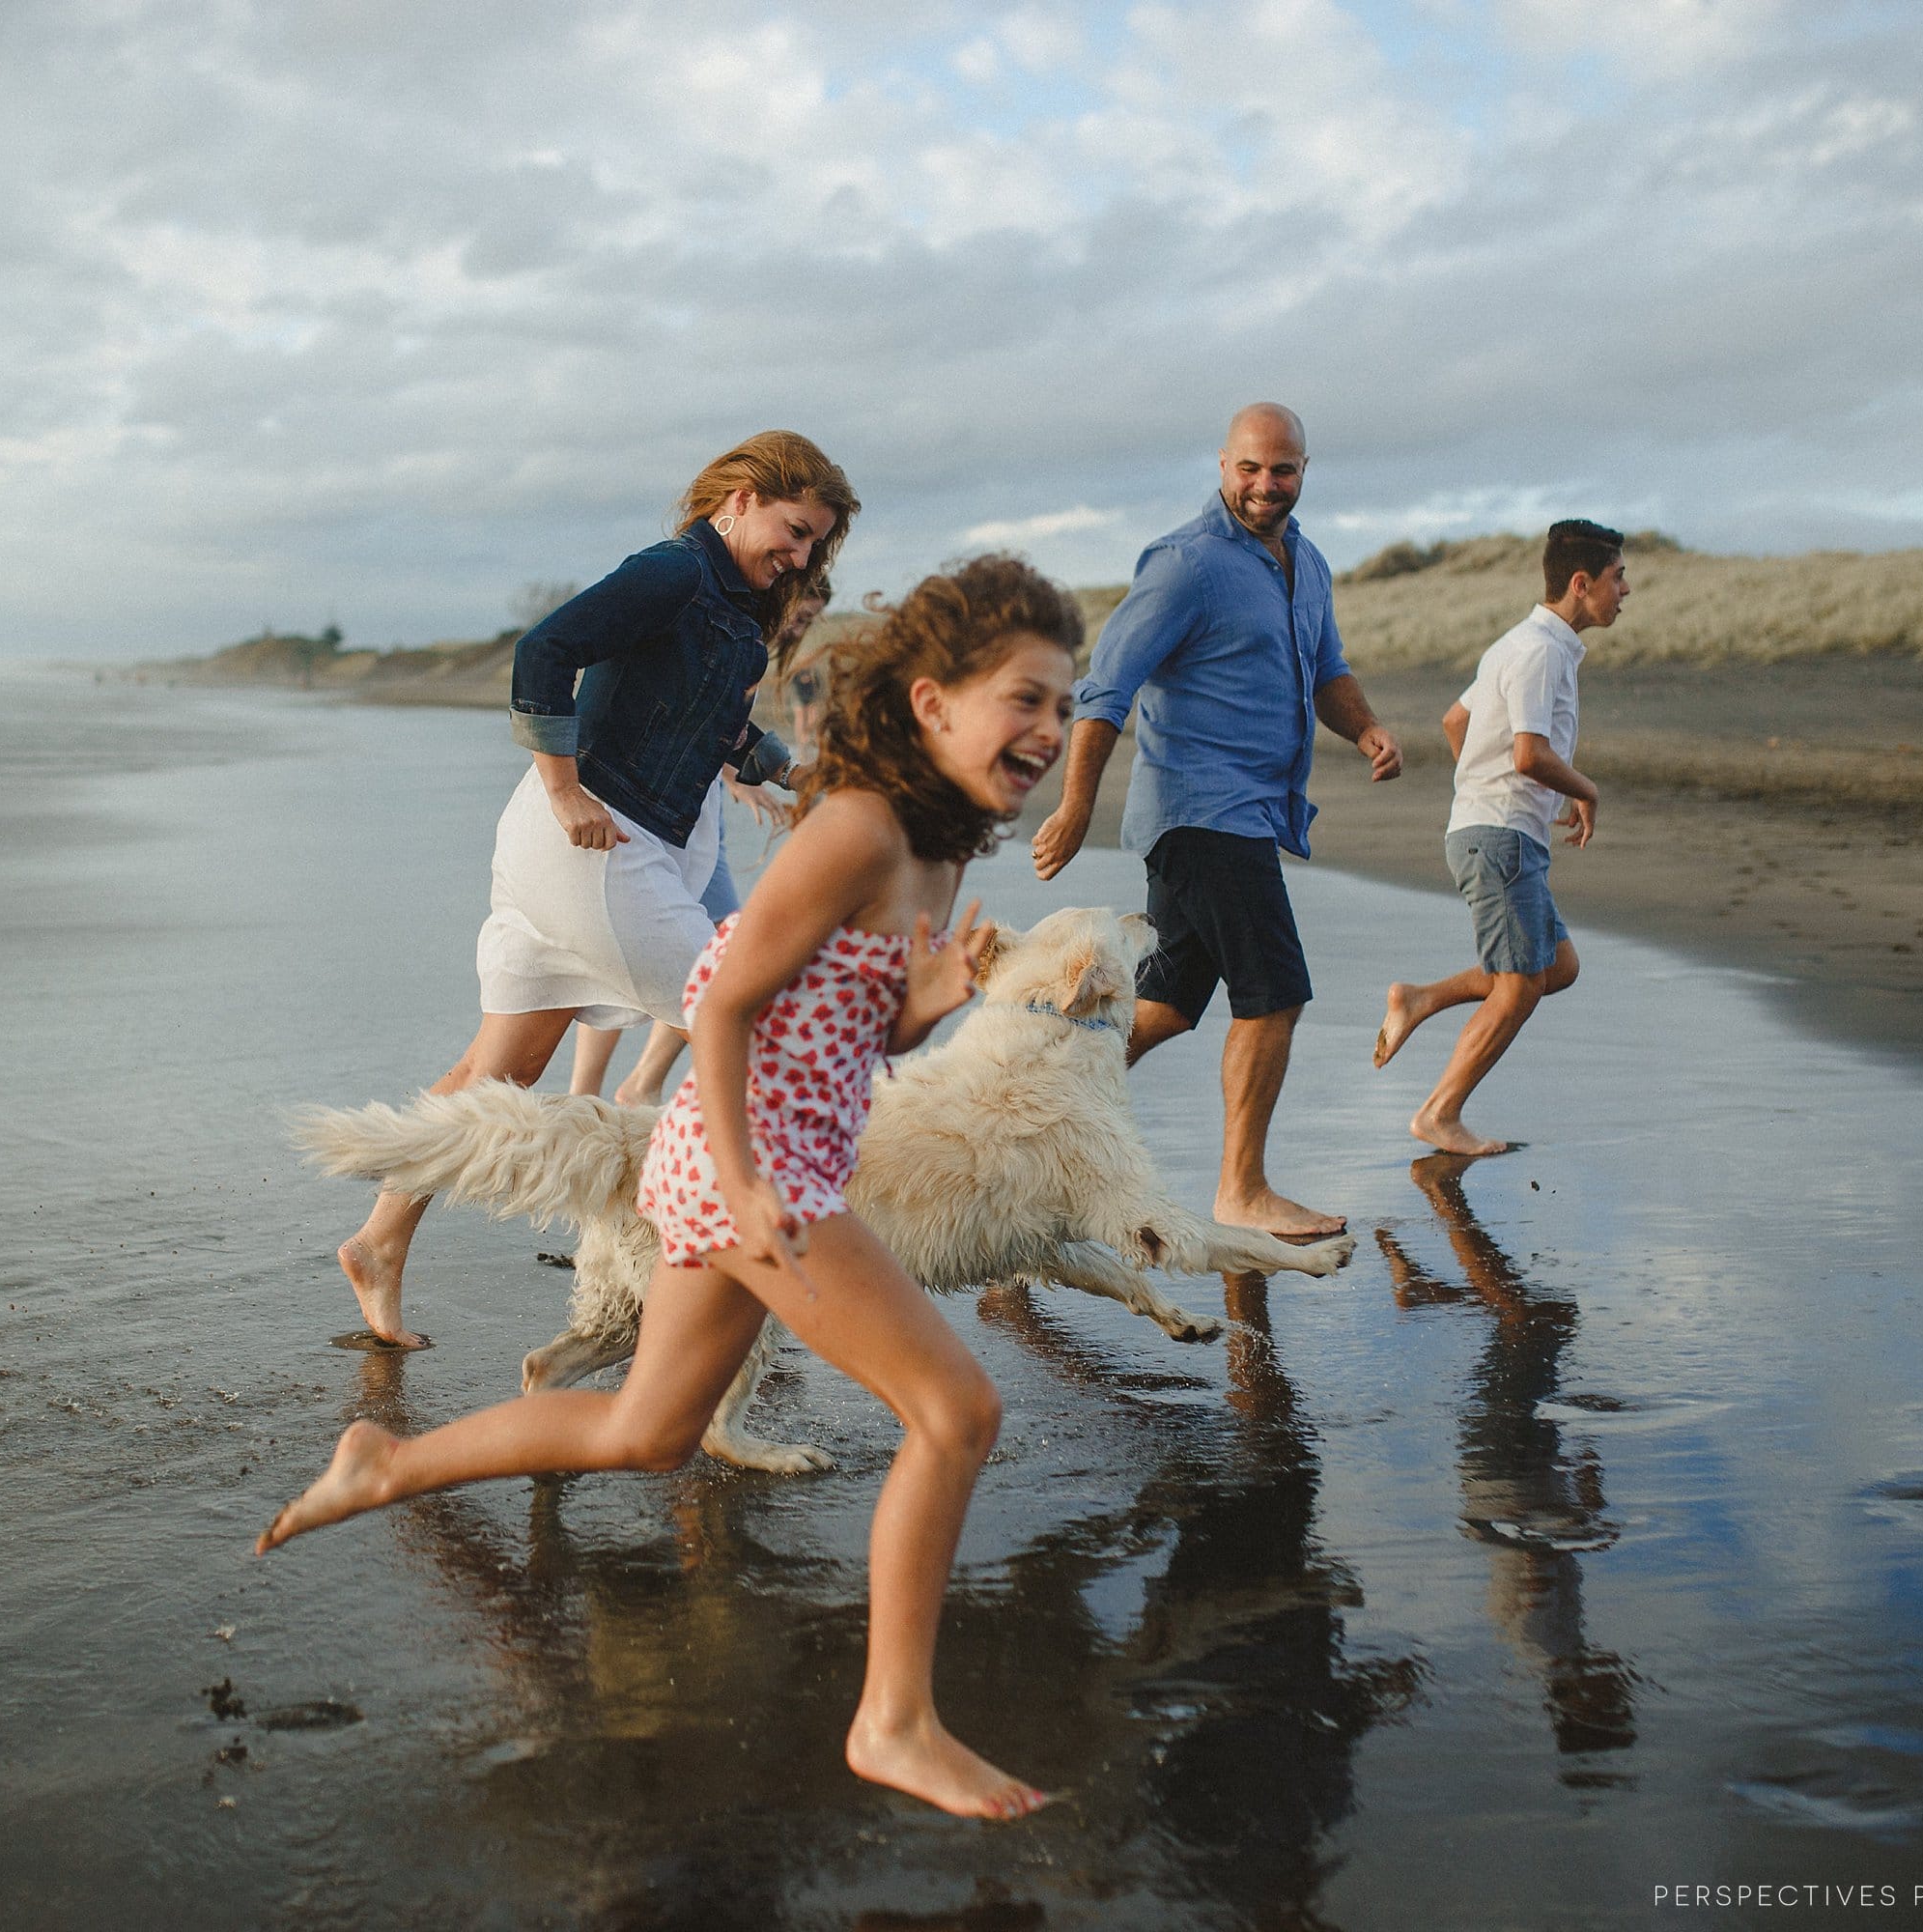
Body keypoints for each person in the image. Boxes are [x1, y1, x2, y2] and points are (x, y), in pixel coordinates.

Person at [262, 555, 1085, 1822]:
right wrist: (751, 1185)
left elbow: (857, 1030)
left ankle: (385, 1465)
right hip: (755, 1166)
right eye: (1023, 700)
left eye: (1063, 708)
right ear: (932, 703)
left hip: (769, 1159)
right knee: (957, 1412)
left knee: (645, 1433)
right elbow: (723, 995)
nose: (1048, 730)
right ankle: (894, 1721)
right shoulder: (858, 826)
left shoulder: (937, 848)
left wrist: (927, 1003)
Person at [336, 433, 859, 1348]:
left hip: (602, 847)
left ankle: (378, 1241)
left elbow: (707, 723)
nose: (801, 556)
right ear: (736, 498)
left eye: (814, 543)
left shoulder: (734, 604)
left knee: (495, 1073)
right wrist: (564, 786)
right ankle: (755, 1278)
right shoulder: (672, 573)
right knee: (756, 1021)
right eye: (793, 530)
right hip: (593, 842)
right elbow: (547, 650)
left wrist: (790, 770)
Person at [1031, 403, 1402, 1241]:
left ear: (1305, 469)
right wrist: (1075, 803)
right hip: (1202, 811)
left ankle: (1035, 1108)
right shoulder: (1186, 565)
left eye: (1284, 470)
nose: (1266, 486)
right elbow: (1106, 689)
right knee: (1273, 995)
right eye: (1250, 469)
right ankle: (1242, 1190)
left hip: (1248, 812)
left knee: (1165, 1003)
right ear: (1223, 465)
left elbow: (1328, 670)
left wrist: (1367, 727)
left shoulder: (1307, 564)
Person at [1372, 520, 1627, 1154]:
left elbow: (1456, 720)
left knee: (1554, 968)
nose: (1627, 590)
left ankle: (1421, 998)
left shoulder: (1520, 643)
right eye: (1618, 577)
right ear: (1581, 582)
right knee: (1517, 988)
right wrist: (1582, 790)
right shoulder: (1539, 651)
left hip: (1499, 831)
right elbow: (1527, 754)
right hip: (1501, 838)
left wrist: (1486, 789)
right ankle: (1440, 1113)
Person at [567, 591, 822, 1109]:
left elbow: (721, 724)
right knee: (713, 952)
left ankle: (629, 1086)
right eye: (799, 613)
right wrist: (741, 777)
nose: (799, 627)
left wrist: (774, 773)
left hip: (698, 816)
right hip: (655, 806)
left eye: (810, 621)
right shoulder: (722, 624)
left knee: (698, 952)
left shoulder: (755, 642)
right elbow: (687, 715)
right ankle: (605, 1092)